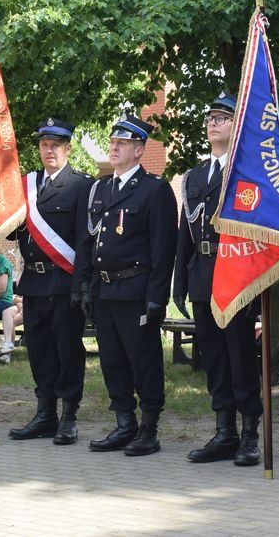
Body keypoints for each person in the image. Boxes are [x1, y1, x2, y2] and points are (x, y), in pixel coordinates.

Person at [75, 113, 177, 457]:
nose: (113, 146)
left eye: (122, 142)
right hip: (105, 291)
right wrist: (86, 285)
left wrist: (157, 298)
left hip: (136, 290)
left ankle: (149, 428)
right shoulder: (101, 188)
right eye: (112, 141)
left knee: (143, 360)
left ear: (139, 149)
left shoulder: (154, 190)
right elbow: (90, 243)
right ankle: (124, 423)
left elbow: (164, 251)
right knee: (113, 361)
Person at [173, 92, 263, 467]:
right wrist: (180, 282)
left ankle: (250, 434)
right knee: (213, 355)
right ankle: (223, 430)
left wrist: (257, 293)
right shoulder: (195, 175)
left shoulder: (247, 171)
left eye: (222, 118)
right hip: (203, 275)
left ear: (236, 125)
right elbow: (185, 232)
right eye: (210, 118)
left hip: (236, 274)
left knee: (240, 355)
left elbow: (257, 233)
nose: (213, 123)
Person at [9, 117, 92, 445]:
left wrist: (80, 286)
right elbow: (16, 230)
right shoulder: (27, 184)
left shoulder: (81, 186)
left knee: (67, 350)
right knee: (39, 350)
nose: (49, 151)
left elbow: (85, 241)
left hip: (63, 280)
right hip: (33, 282)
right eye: (44, 145)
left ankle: (69, 415)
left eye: (55, 145)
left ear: (68, 148)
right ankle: (45, 413)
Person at [0, 295, 24, 365]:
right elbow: (14, 298)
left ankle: (6, 355)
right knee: (6, 313)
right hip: (19, 305)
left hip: (32, 306)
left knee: (12, 321)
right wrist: (19, 304)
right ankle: (8, 344)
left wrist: (19, 302)